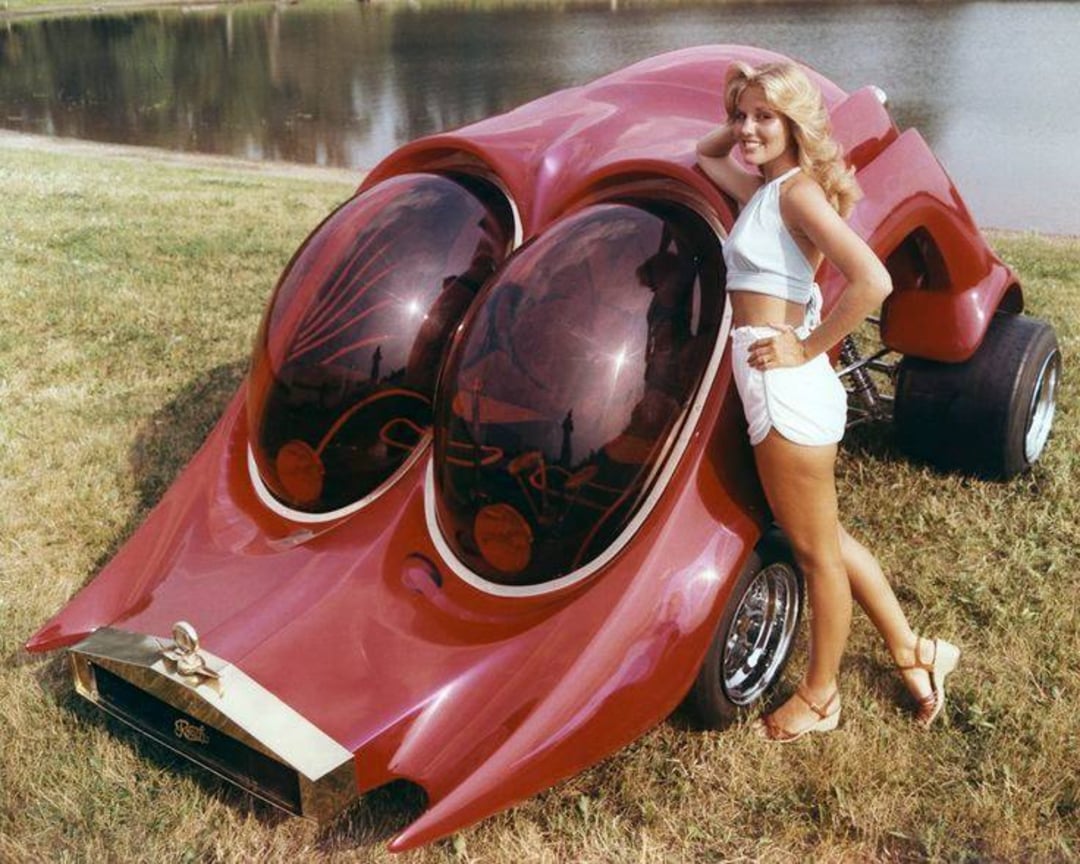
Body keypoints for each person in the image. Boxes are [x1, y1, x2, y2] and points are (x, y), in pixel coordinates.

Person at [696, 60, 959, 741]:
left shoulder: (796, 194)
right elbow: (702, 155)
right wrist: (741, 120)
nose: (745, 128)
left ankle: (821, 697)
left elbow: (870, 280)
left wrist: (805, 347)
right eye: (741, 114)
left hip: (786, 389)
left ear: (794, 124)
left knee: (814, 554)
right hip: (772, 385)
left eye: (764, 117)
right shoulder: (770, 188)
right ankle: (914, 651)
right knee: (829, 539)